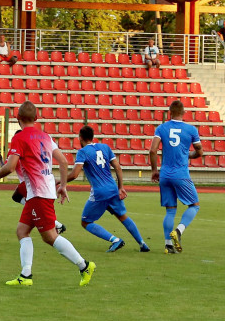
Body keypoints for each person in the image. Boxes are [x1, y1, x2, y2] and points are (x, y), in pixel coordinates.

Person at [0, 101, 95, 287]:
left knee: (49, 236)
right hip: (42, 191)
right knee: (22, 231)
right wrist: (63, 185)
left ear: (18, 120)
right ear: (36, 118)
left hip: (39, 193)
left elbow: (10, 167)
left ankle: (84, 266)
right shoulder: (45, 137)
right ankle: (25, 275)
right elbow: (64, 162)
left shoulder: (19, 138)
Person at [67, 125, 149, 252]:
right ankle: (143, 244)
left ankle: (115, 240)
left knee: (86, 222)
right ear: (93, 137)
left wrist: (59, 181)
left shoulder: (82, 152)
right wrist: (120, 187)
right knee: (122, 216)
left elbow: (74, 175)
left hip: (99, 192)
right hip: (112, 189)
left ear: (80, 138)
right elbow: (118, 167)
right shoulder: (105, 147)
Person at [149, 99, 202, 254]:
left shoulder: (161, 128)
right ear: (184, 113)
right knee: (195, 205)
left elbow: (153, 150)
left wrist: (154, 170)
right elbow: (199, 151)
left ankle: (168, 246)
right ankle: (178, 231)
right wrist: (190, 154)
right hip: (181, 174)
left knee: (170, 211)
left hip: (165, 174)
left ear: (169, 113)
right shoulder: (191, 129)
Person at [0, 150, 67, 235]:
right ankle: (57, 224)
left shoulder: (15, 152)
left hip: (27, 182)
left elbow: (6, 168)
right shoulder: (32, 149)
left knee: (35, 207)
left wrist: (0, 160)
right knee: (19, 198)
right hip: (39, 181)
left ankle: (57, 225)